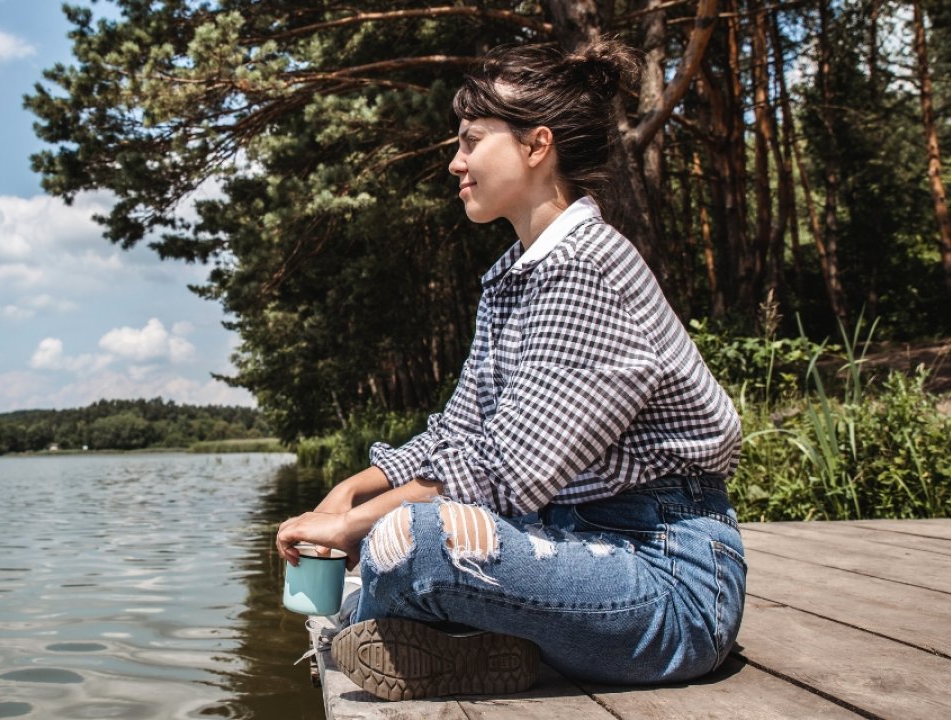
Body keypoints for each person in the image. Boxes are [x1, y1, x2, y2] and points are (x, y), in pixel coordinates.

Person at [275, 38, 745, 702]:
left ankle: (431, 628)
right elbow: (457, 433)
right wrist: (350, 491)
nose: (454, 162)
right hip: (570, 542)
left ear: (535, 146)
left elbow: (504, 470)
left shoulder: (589, 269)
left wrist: (356, 526)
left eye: (470, 141)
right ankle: (480, 645)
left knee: (409, 540)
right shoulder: (512, 279)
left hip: (671, 583)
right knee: (394, 541)